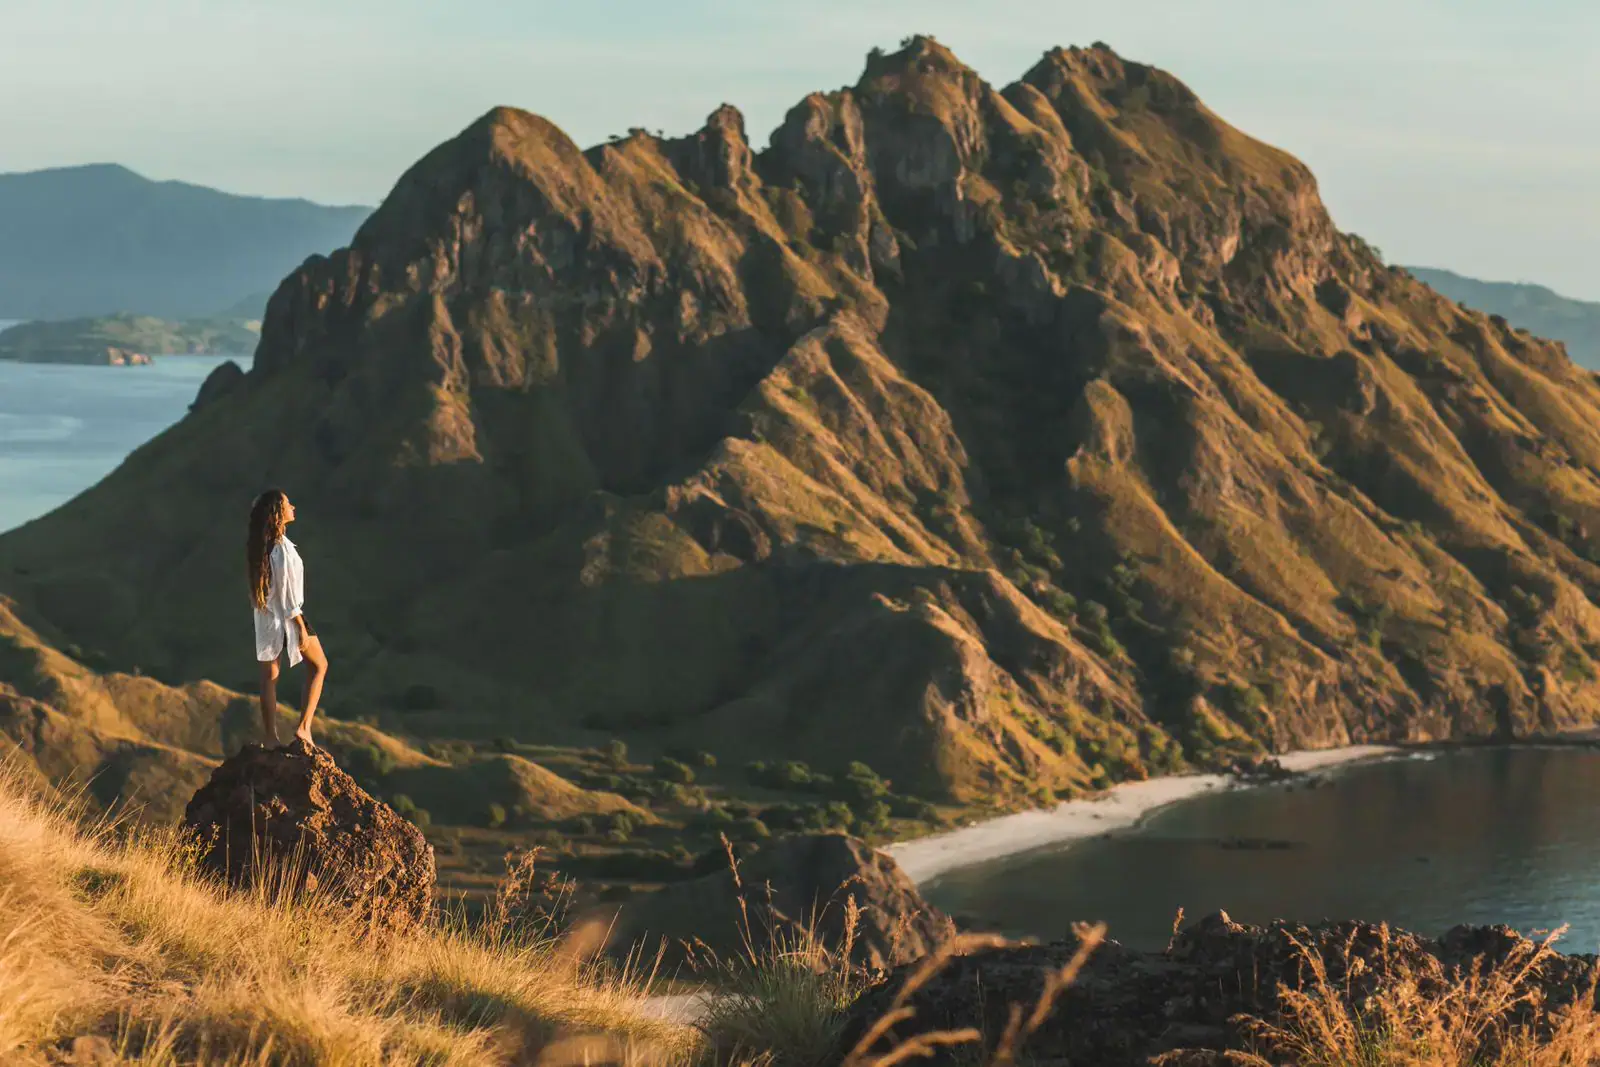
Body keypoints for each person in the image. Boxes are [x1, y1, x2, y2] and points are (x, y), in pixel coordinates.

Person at [246, 489, 329, 747]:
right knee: (319, 666)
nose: (293, 506)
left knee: (269, 678)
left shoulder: (261, 546)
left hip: (266, 619)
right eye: (287, 504)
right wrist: (299, 626)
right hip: (288, 617)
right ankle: (304, 728)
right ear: (278, 513)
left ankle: (270, 737)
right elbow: (288, 593)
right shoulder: (280, 548)